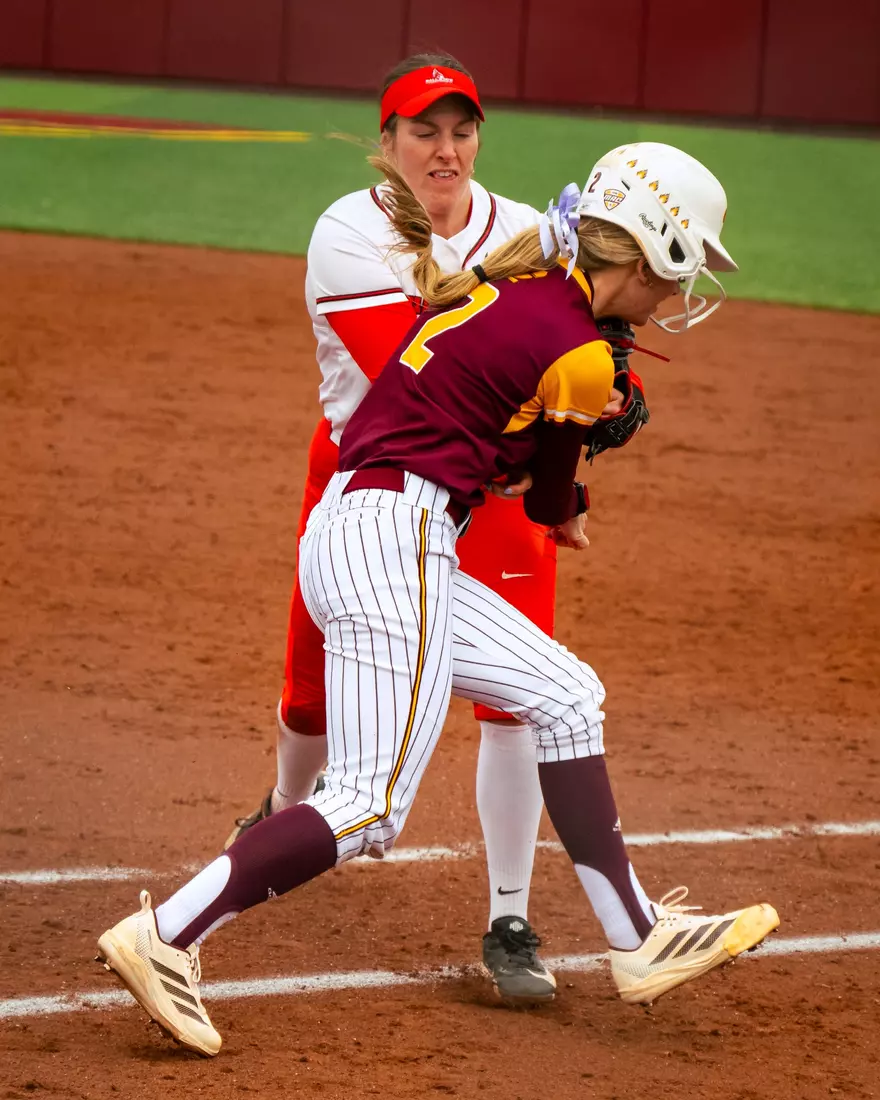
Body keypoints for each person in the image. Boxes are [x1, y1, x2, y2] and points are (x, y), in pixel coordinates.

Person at [97, 140, 779, 1058]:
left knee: (565, 694)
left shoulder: (519, 289)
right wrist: (574, 472)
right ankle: (165, 934)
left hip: (370, 528)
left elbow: (503, 449)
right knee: (367, 806)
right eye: (682, 264)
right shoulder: (574, 348)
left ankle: (638, 937)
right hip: (395, 539)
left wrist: (563, 451)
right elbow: (545, 504)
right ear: (653, 249)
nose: (677, 291)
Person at [225, 53, 585, 1003]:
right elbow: (416, 385)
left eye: (462, 129)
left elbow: (576, 366)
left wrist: (585, 423)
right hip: (368, 481)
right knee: (310, 697)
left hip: (492, 500)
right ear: (386, 143)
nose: (446, 148)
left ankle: (510, 916)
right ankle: (288, 808)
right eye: (424, 130)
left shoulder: (533, 233)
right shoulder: (354, 229)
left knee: (518, 702)